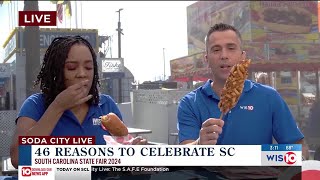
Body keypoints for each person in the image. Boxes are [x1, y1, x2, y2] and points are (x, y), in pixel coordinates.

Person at [10, 36, 147, 168]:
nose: (82, 74)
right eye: (71, 68)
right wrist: (58, 107)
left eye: (88, 68)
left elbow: (120, 152)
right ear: (55, 72)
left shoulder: (106, 105)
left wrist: (133, 152)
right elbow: (18, 159)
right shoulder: (35, 105)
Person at [177, 23, 309, 159]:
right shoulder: (189, 103)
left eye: (231, 48)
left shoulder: (269, 97)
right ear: (207, 60)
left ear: (242, 56)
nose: (224, 55)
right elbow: (183, 153)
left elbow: (297, 146)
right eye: (216, 50)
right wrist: (199, 145)